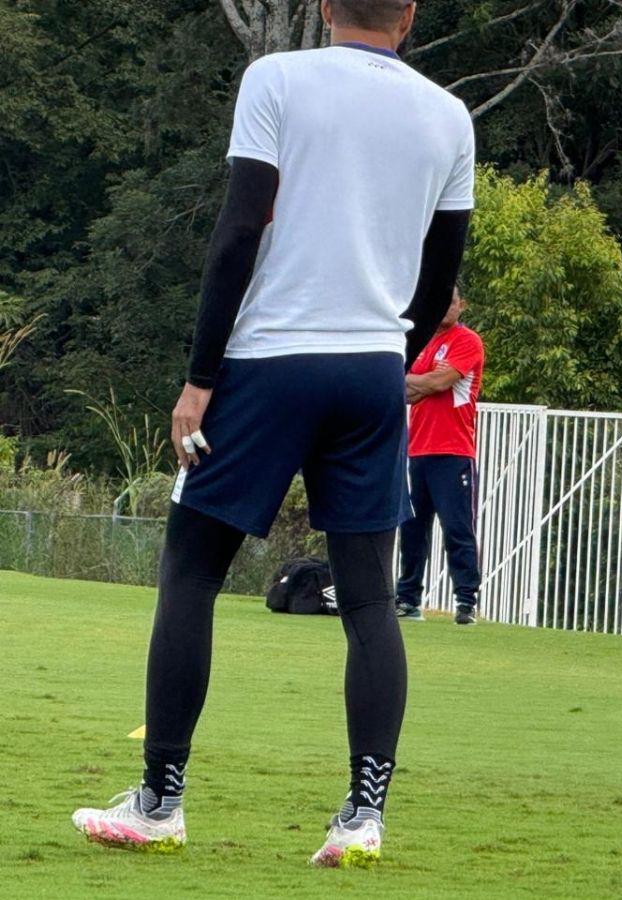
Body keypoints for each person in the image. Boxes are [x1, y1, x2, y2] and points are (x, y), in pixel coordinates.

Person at [71, 0, 475, 867]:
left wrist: (200, 375)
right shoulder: (450, 115)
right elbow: (442, 275)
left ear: (327, 7)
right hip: (370, 371)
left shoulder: (277, 78)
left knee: (191, 567)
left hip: (266, 363)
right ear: (408, 15)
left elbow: (238, 233)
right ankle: (363, 815)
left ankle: (160, 801)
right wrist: (388, 354)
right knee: (369, 595)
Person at [395, 285, 485, 625]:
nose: (445, 308)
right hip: (418, 449)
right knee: (413, 529)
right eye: (440, 301)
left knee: (457, 528)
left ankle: (465, 601)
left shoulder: (467, 341)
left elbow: (437, 383)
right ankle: (408, 599)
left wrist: (417, 382)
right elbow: (406, 386)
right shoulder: (421, 342)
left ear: (462, 305)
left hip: (453, 450)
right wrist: (420, 382)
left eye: (451, 301)